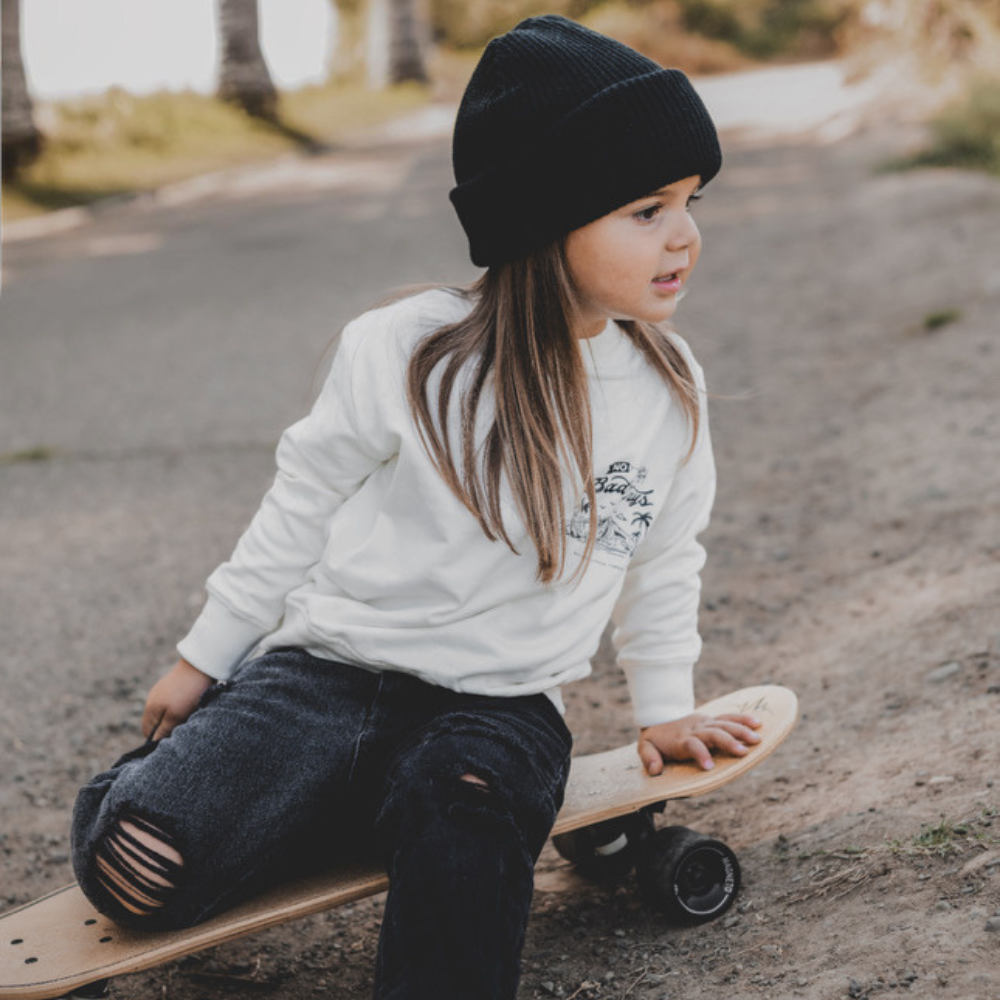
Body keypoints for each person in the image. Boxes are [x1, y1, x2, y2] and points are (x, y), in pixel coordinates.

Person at [71, 14, 761, 1000]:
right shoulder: (405, 351)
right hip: (323, 679)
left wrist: (665, 710)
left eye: (691, 202)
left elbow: (666, 557)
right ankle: (273, 789)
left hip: (497, 710)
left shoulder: (667, 386)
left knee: (462, 817)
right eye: (646, 209)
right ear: (539, 218)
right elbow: (300, 500)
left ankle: (392, 813)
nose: (685, 234)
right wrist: (205, 656)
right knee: (137, 864)